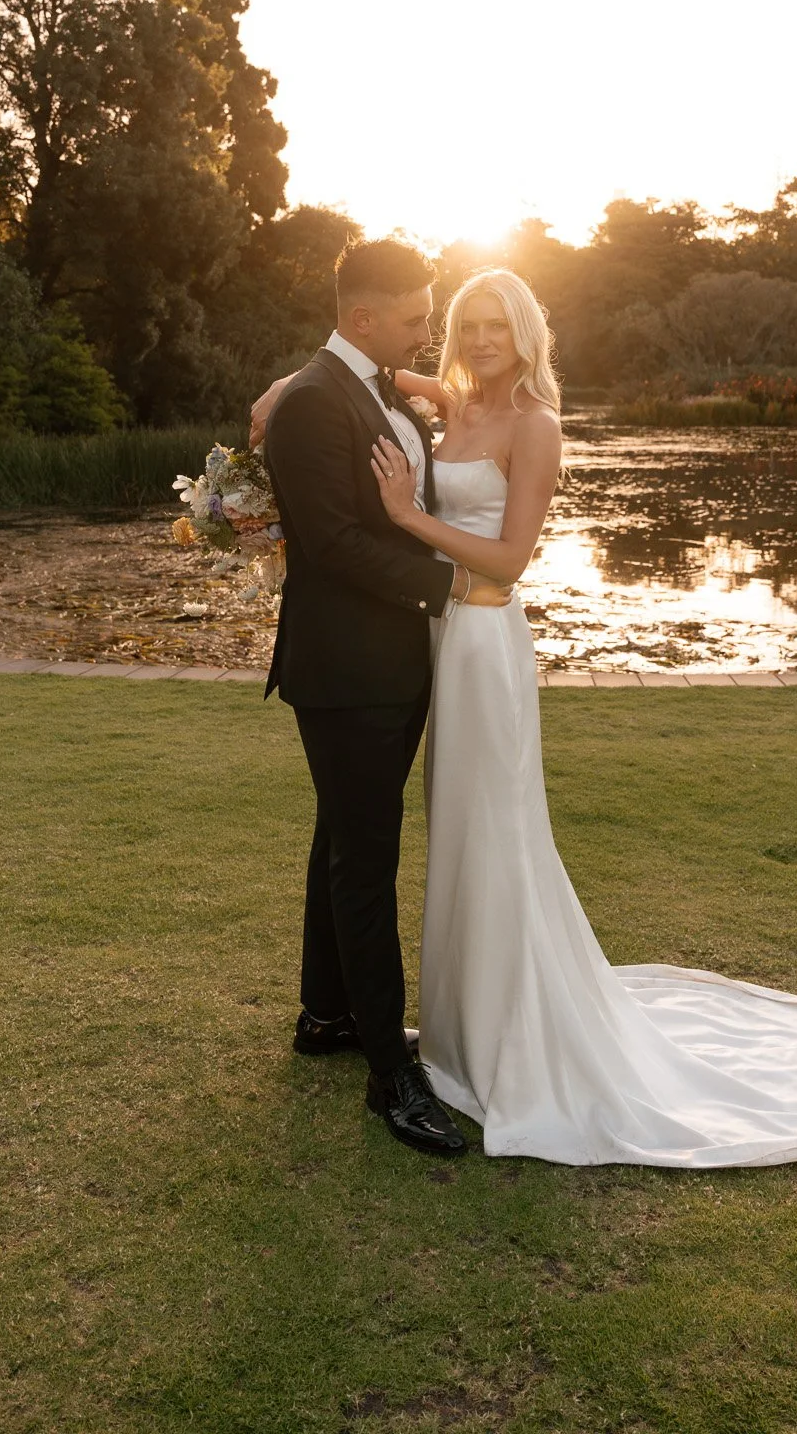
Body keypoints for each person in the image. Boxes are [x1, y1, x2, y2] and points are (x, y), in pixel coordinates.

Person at [258, 261, 797, 1167]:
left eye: (497, 325)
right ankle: (351, 1023)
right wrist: (282, 393)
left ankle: (471, 1032)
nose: (472, 338)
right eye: (460, 324)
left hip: (480, 645)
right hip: (424, 648)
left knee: (485, 831)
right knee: (376, 835)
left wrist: (412, 522)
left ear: (528, 335)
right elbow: (332, 390)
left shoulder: (533, 423)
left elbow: (510, 559)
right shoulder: (445, 400)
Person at [259, 239, 511, 1158]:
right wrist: (445, 587)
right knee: (365, 862)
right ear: (364, 318)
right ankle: (387, 1075)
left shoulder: (367, 387)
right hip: (346, 673)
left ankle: (326, 1017)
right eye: (413, 316)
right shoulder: (316, 401)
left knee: (344, 836)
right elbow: (327, 544)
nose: (427, 329)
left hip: (391, 666)